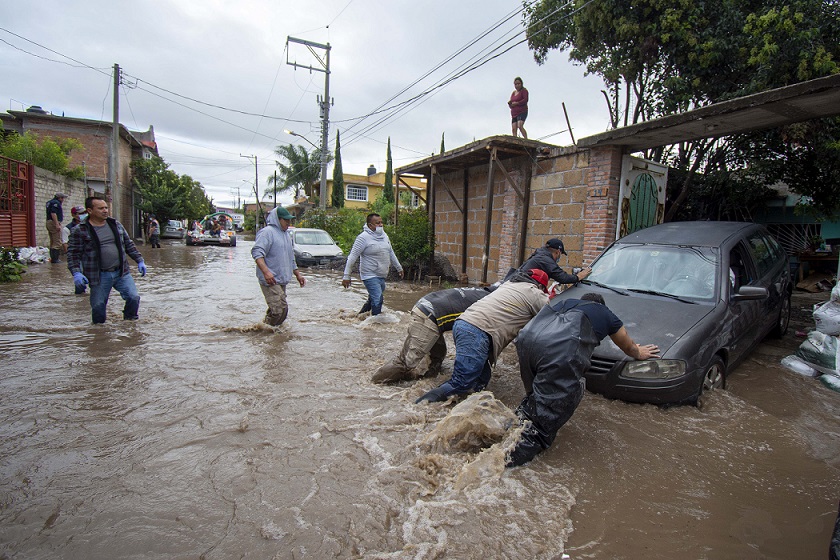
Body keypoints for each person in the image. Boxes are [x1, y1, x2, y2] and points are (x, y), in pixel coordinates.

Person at [507, 293, 660, 467]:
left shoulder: (564, 302)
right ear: (601, 305)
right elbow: (627, 345)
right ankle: (504, 464)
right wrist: (639, 353)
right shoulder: (605, 313)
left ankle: (503, 431)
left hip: (526, 342)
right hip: (558, 352)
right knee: (546, 416)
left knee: (534, 397)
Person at [415, 269, 550, 404]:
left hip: (463, 324)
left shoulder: (509, 285)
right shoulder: (534, 293)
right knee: (461, 383)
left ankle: (466, 408)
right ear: (540, 286)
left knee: (482, 378)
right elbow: (554, 311)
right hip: (476, 332)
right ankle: (419, 406)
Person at [372, 285, 497, 383]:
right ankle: (374, 383)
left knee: (438, 355)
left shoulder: (480, 292)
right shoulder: (492, 303)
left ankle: (427, 380)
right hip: (429, 316)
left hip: (428, 307)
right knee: (405, 363)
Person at [67, 196, 147, 324]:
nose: (105, 210)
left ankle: (130, 324)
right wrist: (76, 273)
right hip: (98, 275)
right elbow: (73, 254)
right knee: (98, 307)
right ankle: (99, 334)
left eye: (105, 207)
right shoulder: (80, 230)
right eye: (100, 208)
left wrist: (139, 260)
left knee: (133, 297)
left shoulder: (115, 224)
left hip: (121, 272)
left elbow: (128, 244)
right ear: (90, 210)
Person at [251, 206, 306, 326]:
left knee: (279, 310)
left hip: (281, 279)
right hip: (270, 279)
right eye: (285, 220)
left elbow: (291, 257)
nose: (288, 222)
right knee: (280, 310)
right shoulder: (267, 233)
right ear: (277, 219)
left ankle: (266, 329)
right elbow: (256, 253)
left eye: (289, 220)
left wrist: (298, 274)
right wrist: (266, 272)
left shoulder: (286, 235)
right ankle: (267, 333)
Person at [342, 213, 403, 316]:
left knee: (372, 300)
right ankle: (375, 323)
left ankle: (359, 317)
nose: (381, 225)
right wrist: (346, 276)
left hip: (382, 275)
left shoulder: (384, 236)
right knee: (378, 299)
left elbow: (390, 252)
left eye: (381, 222)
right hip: (369, 275)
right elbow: (352, 257)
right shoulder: (363, 238)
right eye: (377, 223)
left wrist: (399, 267)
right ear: (370, 225)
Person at [519, 238, 592, 286]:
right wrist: (578, 277)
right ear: (558, 252)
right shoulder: (545, 259)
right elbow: (562, 277)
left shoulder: (539, 255)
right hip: (522, 289)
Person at [62, 207, 87, 294]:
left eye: (84, 212)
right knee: (79, 279)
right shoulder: (67, 229)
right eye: (79, 213)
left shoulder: (91, 225)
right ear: (73, 215)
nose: (83, 215)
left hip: (90, 255)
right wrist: (70, 258)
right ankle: (80, 295)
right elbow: (65, 243)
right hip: (77, 256)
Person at [45, 192, 68, 263]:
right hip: (53, 223)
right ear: (60, 198)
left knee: (52, 241)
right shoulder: (56, 203)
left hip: (48, 222)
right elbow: (53, 213)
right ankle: (55, 259)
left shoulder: (49, 202)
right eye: (63, 198)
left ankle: (53, 259)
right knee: (57, 242)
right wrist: (57, 224)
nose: (63, 200)